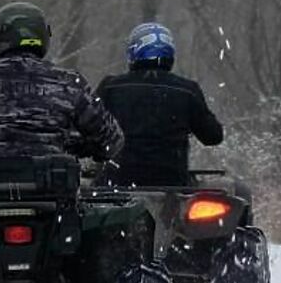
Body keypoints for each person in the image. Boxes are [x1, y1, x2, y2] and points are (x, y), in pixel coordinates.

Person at [0, 2, 124, 161]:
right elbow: (111, 141)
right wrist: (74, 146)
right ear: (43, 36)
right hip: (54, 195)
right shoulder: (70, 83)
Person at [96, 22, 223, 186]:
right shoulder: (187, 90)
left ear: (133, 52)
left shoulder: (111, 87)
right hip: (172, 182)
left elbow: (90, 129)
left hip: (117, 181)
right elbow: (213, 136)